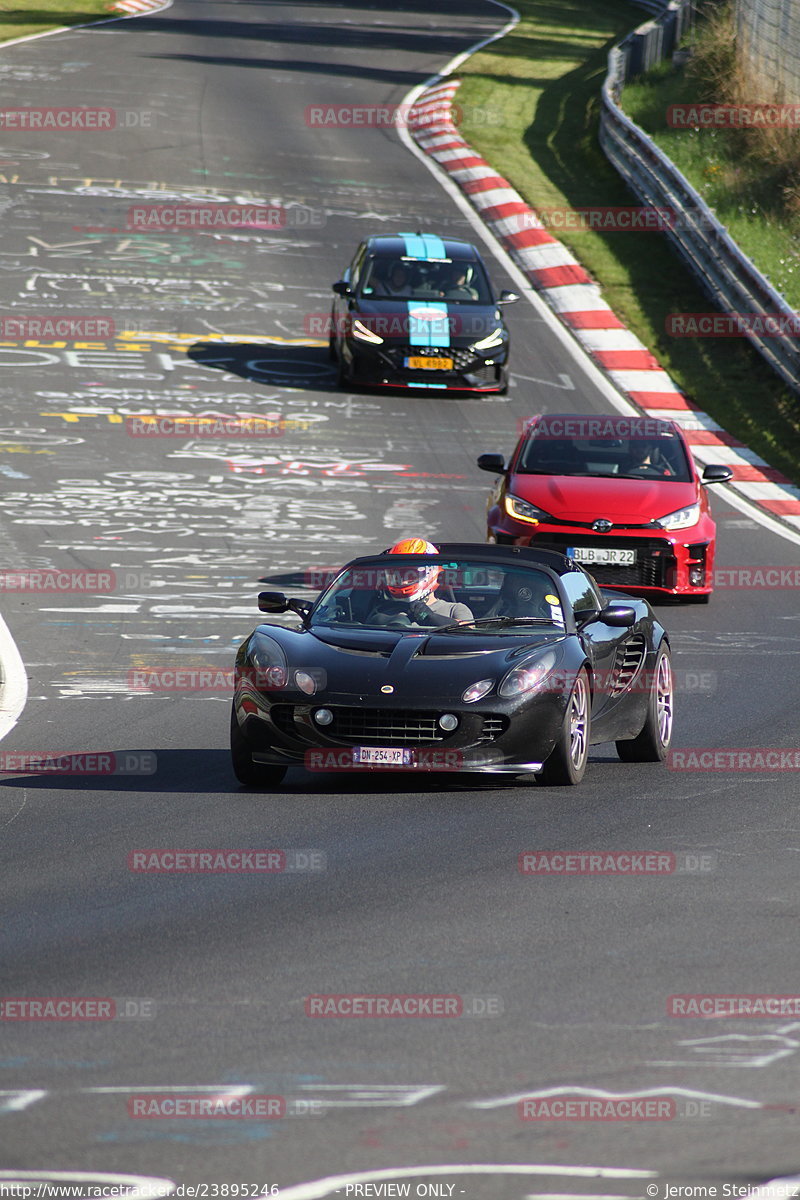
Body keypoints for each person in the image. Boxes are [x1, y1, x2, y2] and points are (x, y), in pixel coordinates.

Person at [370, 537, 473, 626]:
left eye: (411, 575)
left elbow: (470, 633)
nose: (404, 581)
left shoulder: (454, 609)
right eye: (398, 575)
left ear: (432, 572)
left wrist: (433, 618)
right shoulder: (384, 611)